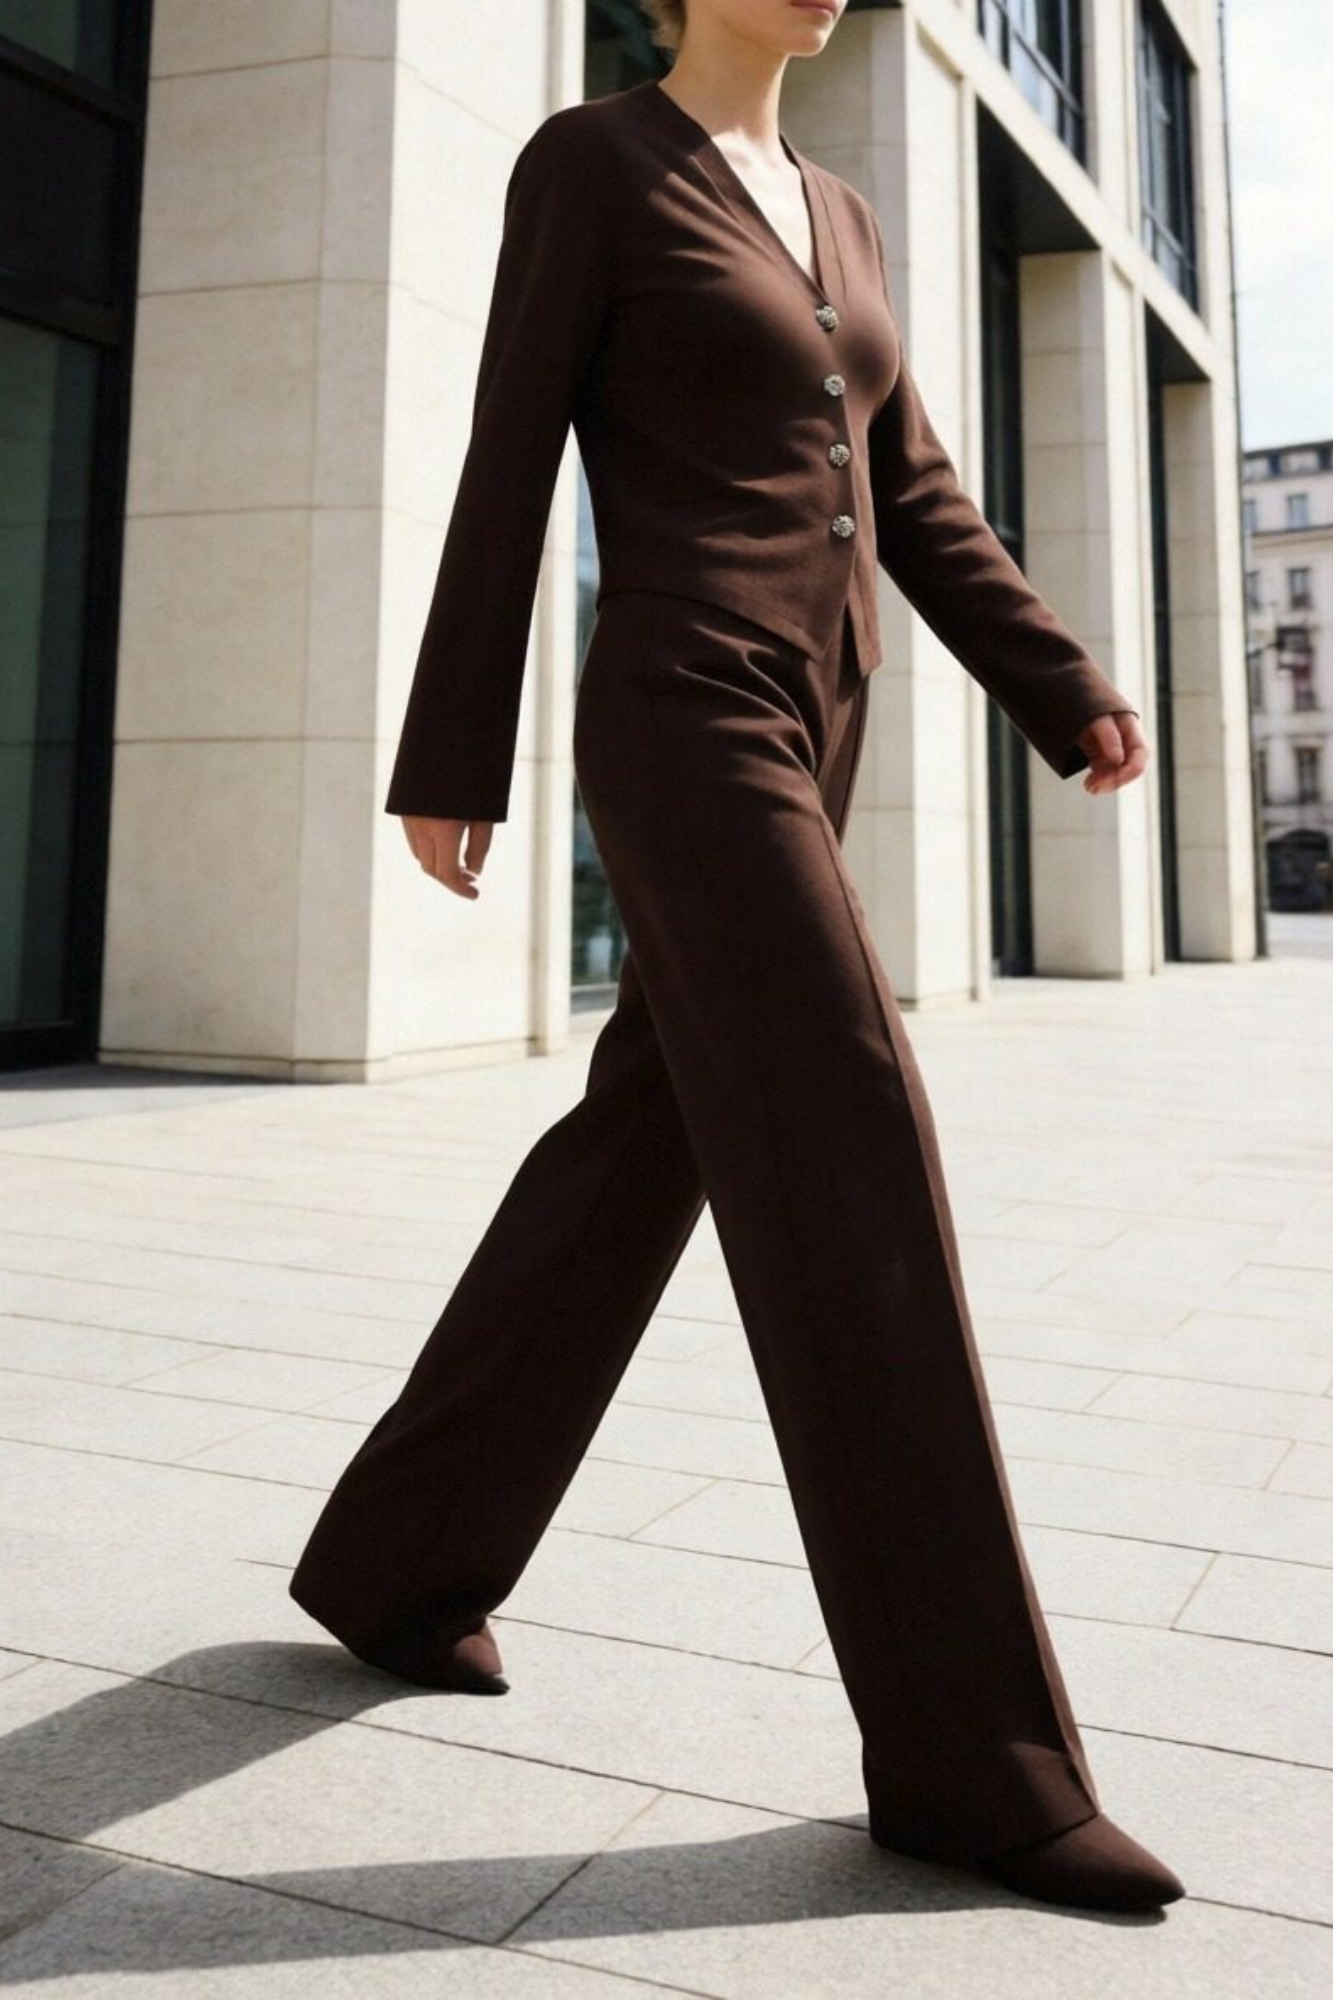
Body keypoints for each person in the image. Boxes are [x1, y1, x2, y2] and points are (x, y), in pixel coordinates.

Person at [288, 0, 1183, 1915]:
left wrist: (1064, 681)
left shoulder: (845, 211)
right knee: (852, 1134)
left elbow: (918, 492)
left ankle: (394, 1565)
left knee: (634, 1162)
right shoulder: (595, 165)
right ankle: (978, 1762)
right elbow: (510, 449)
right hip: (684, 715)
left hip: (814, 726)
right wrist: (453, 754)